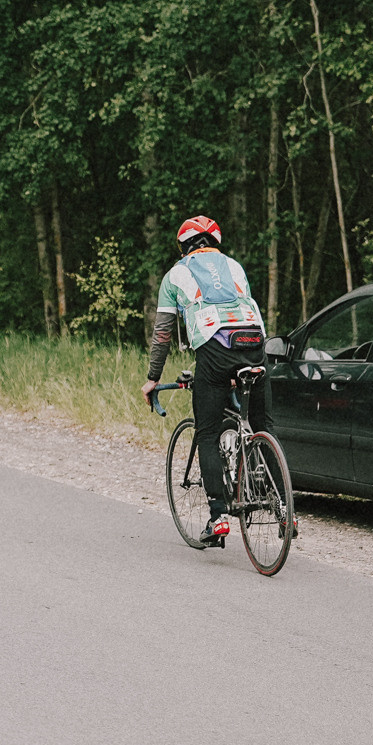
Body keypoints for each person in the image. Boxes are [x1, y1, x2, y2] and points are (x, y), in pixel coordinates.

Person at [142, 216, 266, 544]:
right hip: (255, 343)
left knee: (207, 431)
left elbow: (163, 333)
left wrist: (153, 378)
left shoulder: (175, 275)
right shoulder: (235, 267)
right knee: (264, 424)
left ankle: (218, 516)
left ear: (184, 246)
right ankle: (282, 505)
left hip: (215, 348)